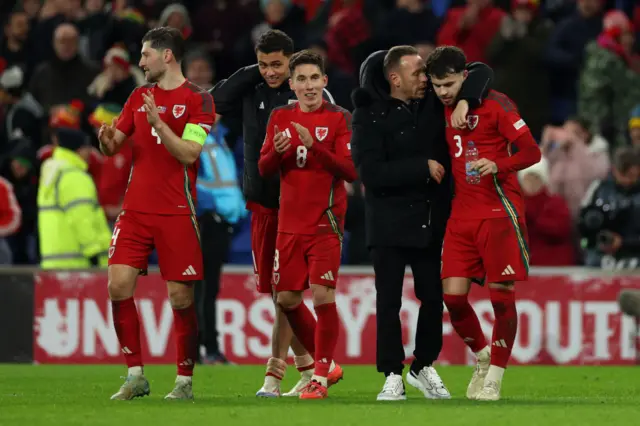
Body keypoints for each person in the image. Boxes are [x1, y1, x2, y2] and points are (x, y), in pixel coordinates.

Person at [351, 46, 493, 401]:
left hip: (430, 219)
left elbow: (481, 70)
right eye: (417, 73)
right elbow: (370, 172)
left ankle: (422, 365)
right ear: (395, 78)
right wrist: (421, 167)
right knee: (389, 301)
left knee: (433, 297)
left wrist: (465, 101)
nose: (426, 79)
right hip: (387, 221)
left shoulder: (434, 102)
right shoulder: (368, 113)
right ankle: (391, 374)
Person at [212, 29, 339, 397]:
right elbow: (215, 101)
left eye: (277, 65)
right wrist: (254, 71)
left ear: (293, 61)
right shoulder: (252, 87)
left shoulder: (308, 93)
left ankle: (276, 374)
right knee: (278, 293)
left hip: (302, 212)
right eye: (264, 64)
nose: (270, 72)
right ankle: (312, 366)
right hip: (264, 206)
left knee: (289, 293)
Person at [97, 27, 215, 401]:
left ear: (167, 56)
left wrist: (160, 124)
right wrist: (106, 139)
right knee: (117, 284)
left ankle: (183, 381)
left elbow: (189, 154)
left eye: (146, 54)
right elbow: (116, 143)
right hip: (135, 209)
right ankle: (135, 375)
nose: (141, 61)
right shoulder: (138, 96)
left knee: (181, 298)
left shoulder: (200, 101)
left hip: (177, 211)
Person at [426, 46, 541, 401]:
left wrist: (498, 164)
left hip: (498, 212)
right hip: (461, 216)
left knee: (501, 295)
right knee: (453, 298)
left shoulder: (498, 105)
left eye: (449, 84)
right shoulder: (442, 107)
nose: (443, 92)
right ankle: (482, 355)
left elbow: (532, 152)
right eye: (437, 85)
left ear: (464, 76)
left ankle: (495, 376)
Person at [258, 50, 355, 400]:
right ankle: (327, 364)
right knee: (285, 298)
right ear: (292, 83)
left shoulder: (340, 118)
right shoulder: (279, 116)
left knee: (322, 295)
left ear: (324, 82)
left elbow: (351, 170)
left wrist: (315, 147)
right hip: (289, 224)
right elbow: (264, 168)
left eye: (315, 78)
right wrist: (278, 152)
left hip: (325, 221)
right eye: (301, 79)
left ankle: (320, 377)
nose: (309, 85)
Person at [195, 125, 248, 364]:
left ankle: (205, 349)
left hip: (222, 222)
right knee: (202, 289)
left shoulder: (219, 139)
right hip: (207, 221)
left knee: (208, 289)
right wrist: (208, 210)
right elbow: (191, 178)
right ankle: (204, 350)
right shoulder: (198, 138)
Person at [37, 128, 111, 269]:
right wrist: (94, 253)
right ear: (78, 149)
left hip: (55, 262)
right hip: (80, 264)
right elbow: (82, 219)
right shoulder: (74, 177)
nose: (90, 152)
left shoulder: (53, 173)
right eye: (87, 147)